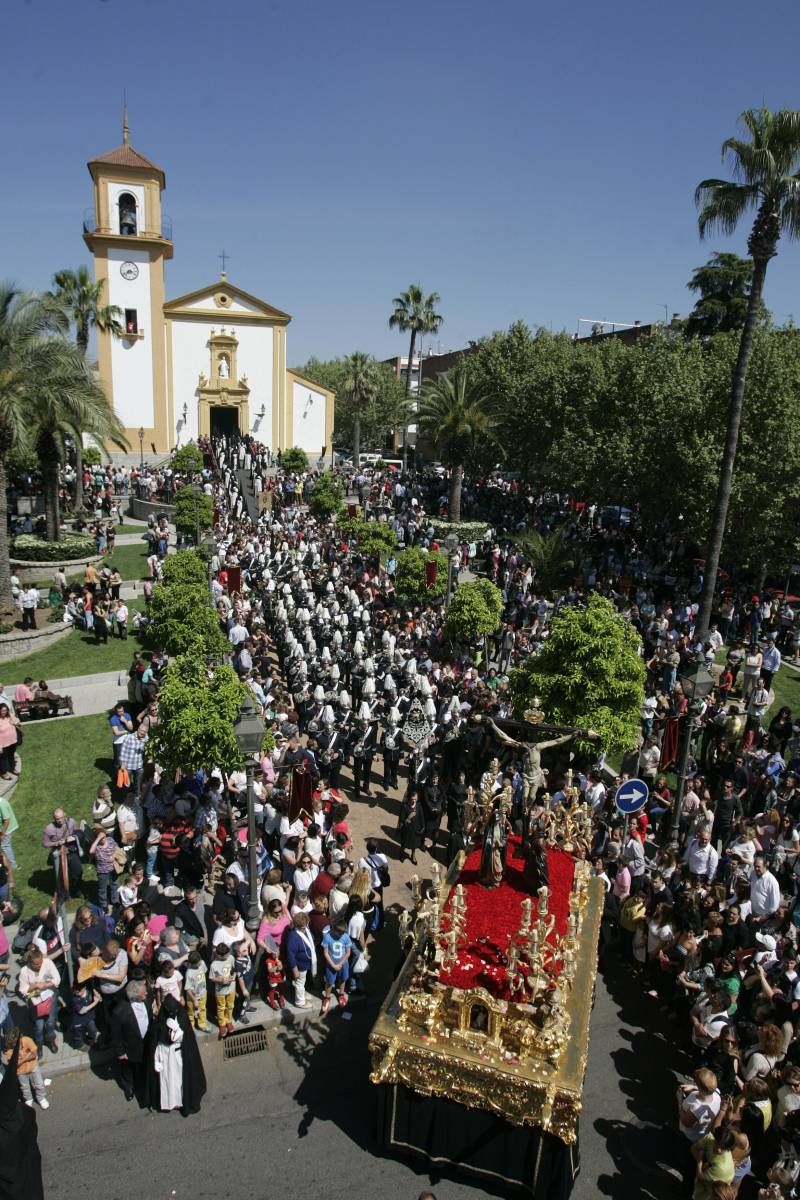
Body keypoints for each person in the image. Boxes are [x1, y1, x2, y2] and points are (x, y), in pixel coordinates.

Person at [145, 994, 206, 1115]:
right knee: (168, 1082)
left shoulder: (182, 1016)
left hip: (179, 1056)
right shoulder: (161, 1021)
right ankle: (169, 1103)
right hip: (166, 1057)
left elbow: (187, 1039)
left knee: (179, 1082)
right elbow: (157, 1039)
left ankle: (181, 1101)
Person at [109, 978, 152, 1102]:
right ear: (135, 996)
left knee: (143, 1065)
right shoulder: (119, 1012)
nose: (147, 994)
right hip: (130, 1048)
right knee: (128, 1070)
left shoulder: (147, 1000)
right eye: (144, 993)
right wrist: (120, 1052)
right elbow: (116, 1035)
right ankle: (129, 1088)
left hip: (145, 1043)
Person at [285, 911, 317, 1010]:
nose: (306, 927)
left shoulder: (305, 930)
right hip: (299, 966)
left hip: (307, 964)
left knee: (302, 981)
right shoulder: (293, 937)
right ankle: (300, 1002)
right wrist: (294, 969)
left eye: (307, 925)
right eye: (304, 926)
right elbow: (290, 955)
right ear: (297, 926)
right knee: (300, 982)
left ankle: (302, 993)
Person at [320, 920, 352, 1015]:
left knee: (343, 979)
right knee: (329, 982)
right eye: (340, 932)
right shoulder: (327, 937)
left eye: (343, 932)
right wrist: (333, 965)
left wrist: (340, 964)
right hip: (331, 964)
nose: (342, 934)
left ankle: (341, 994)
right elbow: (325, 953)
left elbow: (348, 952)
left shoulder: (345, 937)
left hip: (343, 964)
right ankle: (327, 997)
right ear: (334, 929)